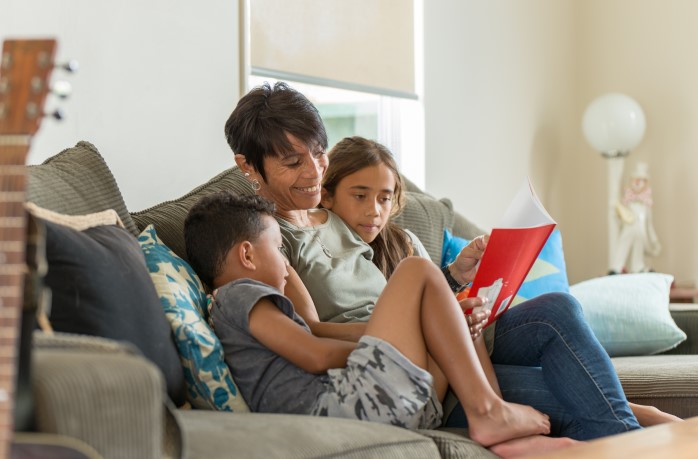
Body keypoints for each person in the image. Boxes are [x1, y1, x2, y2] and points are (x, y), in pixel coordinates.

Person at [225, 82, 680, 441]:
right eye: (291, 161)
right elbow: (309, 333)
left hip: (438, 340)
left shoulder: (335, 214)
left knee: (558, 310)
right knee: (574, 403)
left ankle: (641, 423)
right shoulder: (261, 241)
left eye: (319, 154)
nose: (312, 172)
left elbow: (395, 285)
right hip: (396, 365)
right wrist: (427, 325)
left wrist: (451, 289)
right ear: (249, 167)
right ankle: (634, 434)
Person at [184, 191, 569, 456]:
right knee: (415, 269)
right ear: (248, 255)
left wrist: (412, 334)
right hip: (347, 404)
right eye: (279, 248)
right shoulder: (238, 295)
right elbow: (315, 355)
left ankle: (493, 411)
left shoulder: (243, 303)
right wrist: (391, 343)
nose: (286, 262)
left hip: (376, 403)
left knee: (460, 317)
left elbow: (310, 331)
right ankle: (488, 409)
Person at [610, 161, 661, 274]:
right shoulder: (628, 201)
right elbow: (621, 214)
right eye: (637, 179)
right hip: (628, 229)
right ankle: (616, 267)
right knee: (623, 245)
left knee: (639, 248)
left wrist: (653, 238)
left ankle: (638, 266)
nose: (639, 183)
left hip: (641, 232)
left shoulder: (646, 204)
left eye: (642, 180)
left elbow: (649, 223)